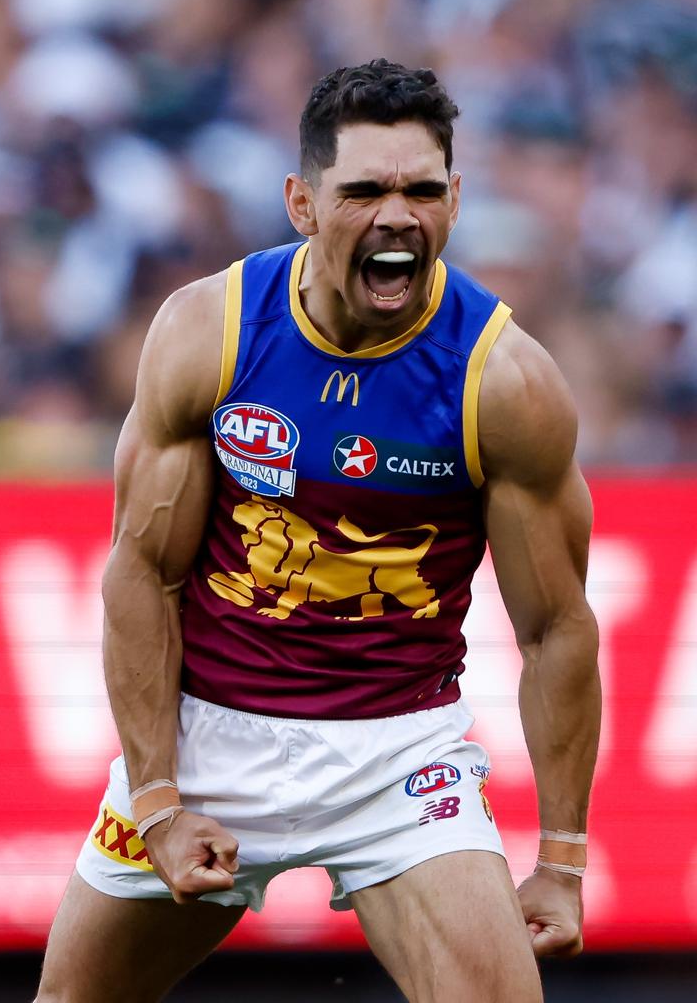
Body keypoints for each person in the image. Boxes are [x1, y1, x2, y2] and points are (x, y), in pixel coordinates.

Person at [36, 60, 600, 1003]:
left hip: (399, 756)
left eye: (423, 190)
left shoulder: (505, 383)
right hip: (211, 740)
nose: (396, 215)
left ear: (455, 201)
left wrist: (565, 859)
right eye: (365, 191)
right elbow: (141, 576)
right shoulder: (208, 332)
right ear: (301, 202)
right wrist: (161, 801)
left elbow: (557, 629)